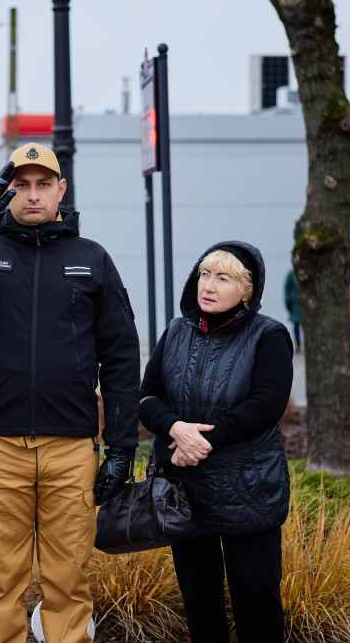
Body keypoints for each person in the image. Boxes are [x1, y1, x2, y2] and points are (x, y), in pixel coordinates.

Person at [0, 142, 140, 643]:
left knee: (68, 583)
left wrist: (123, 447)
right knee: (1, 584)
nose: (33, 195)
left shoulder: (92, 259)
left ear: (62, 189)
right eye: (21, 185)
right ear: (6, 192)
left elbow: (122, 357)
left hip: (71, 448)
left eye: (44, 184)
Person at [138, 240, 293, 643]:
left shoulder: (269, 336)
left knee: (257, 602)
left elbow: (267, 404)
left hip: (248, 490)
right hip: (187, 492)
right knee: (199, 601)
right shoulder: (177, 331)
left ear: (247, 290)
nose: (208, 285)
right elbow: (147, 396)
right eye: (205, 274)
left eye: (223, 278)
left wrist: (203, 440)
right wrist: (175, 429)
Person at [284, 266, 301, 352]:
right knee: (296, 324)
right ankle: (298, 344)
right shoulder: (291, 274)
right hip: (295, 304)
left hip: (306, 303)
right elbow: (287, 288)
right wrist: (287, 301)